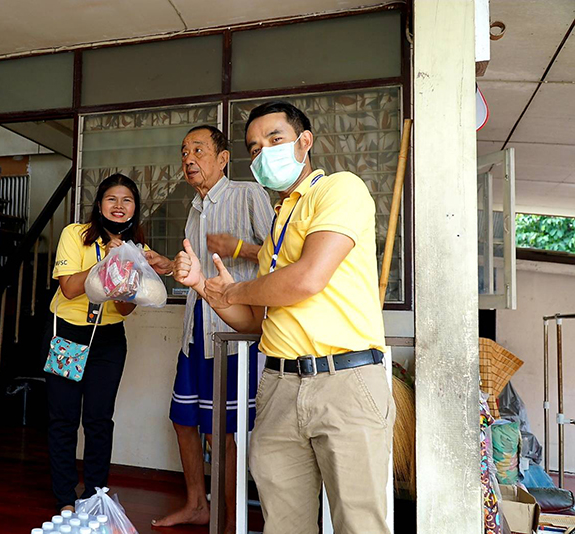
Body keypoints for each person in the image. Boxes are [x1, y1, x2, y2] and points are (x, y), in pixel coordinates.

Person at [173, 101, 395, 534]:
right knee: (284, 524)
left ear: (304, 142)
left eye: (275, 139)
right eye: (255, 149)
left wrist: (235, 289)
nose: (264, 153)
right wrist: (202, 285)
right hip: (278, 385)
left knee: (358, 524)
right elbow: (256, 321)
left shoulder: (339, 190)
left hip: (343, 381)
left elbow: (308, 278)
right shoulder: (278, 225)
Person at [145, 125, 273, 532]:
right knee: (183, 420)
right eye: (184, 152)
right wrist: (168, 266)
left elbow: (280, 256)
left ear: (223, 158)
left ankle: (229, 520)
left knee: (223, 432)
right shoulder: (194, 208)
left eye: (198, 150)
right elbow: (196, 270)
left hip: (233, 331)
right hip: (195, 329)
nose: (188, 159)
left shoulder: (248, 194)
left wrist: (238, 249)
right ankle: (197, 505)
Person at [44, 173, 149, 513]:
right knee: (63, 419)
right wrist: (108, 264)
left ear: (135, 207)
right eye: (111, 199)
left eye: (127, 200)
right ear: (99, 204)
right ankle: (65, 498)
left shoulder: (137, 248)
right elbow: (68, 289)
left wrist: (127, 268)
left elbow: (125, 308)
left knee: (99, 420)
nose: (119, 206)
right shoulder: (75, 234)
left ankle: (93, 497)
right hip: (68, 334)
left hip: (108, 340)